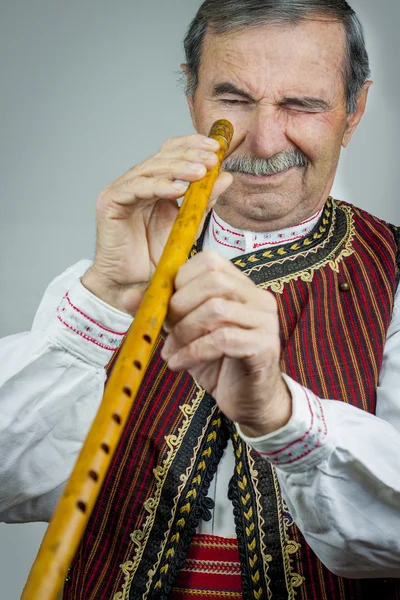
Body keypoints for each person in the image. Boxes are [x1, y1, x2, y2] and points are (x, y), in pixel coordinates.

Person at [1, 0, 400, 598]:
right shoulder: (117, 266)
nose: (263, 143)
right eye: (234, 100)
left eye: (303, 104)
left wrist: (282, 418)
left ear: (354, 109)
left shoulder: (392, 273)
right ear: (192, 95)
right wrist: (107, 294)